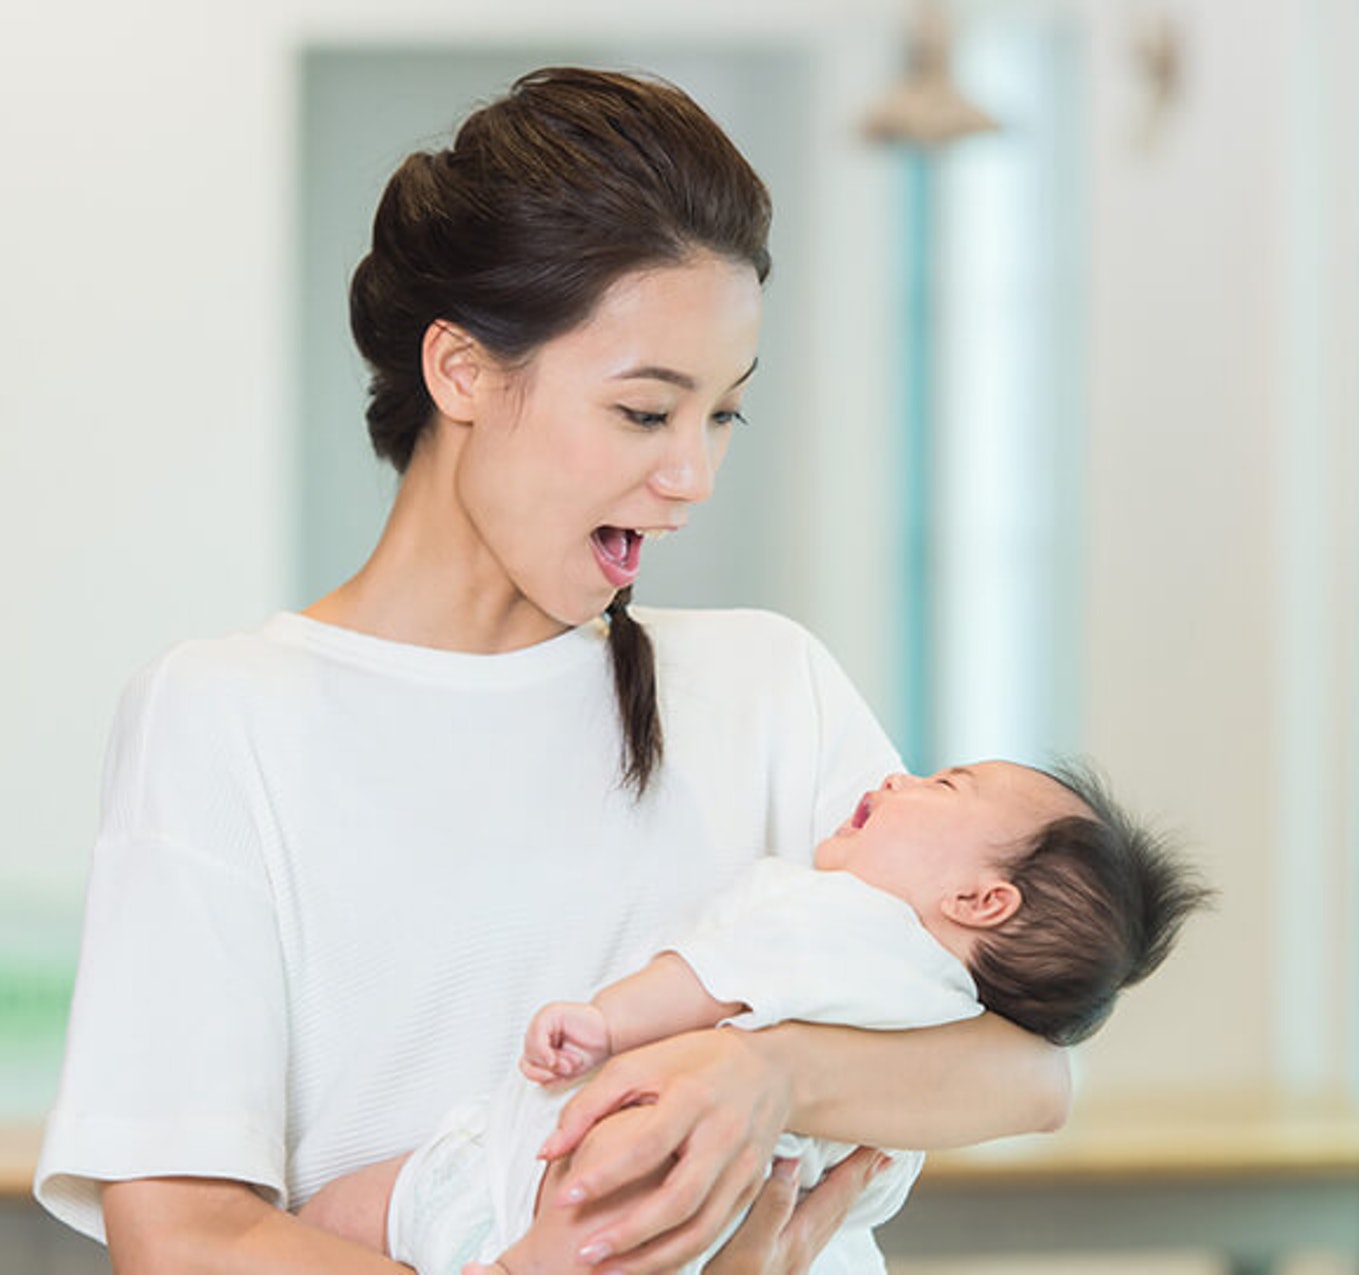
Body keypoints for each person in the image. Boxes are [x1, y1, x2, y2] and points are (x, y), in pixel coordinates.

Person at [34, 67, 1073, 1275]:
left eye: (723, 416)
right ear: (462, 371)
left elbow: (1029, 1071)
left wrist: (762, 1073)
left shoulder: (767, 686)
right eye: (646, 413)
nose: (694, 476)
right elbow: (179, 1237)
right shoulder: (224, 718)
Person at [297, 760, 1211, 1275]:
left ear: (979, 897)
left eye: (944, 782)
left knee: (342, 1212)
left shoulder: (849, 921)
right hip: (742, 1239)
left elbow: (712, 975)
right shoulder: (941, 1013)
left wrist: (604, 1020)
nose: (895, 775)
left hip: (557, 1190)